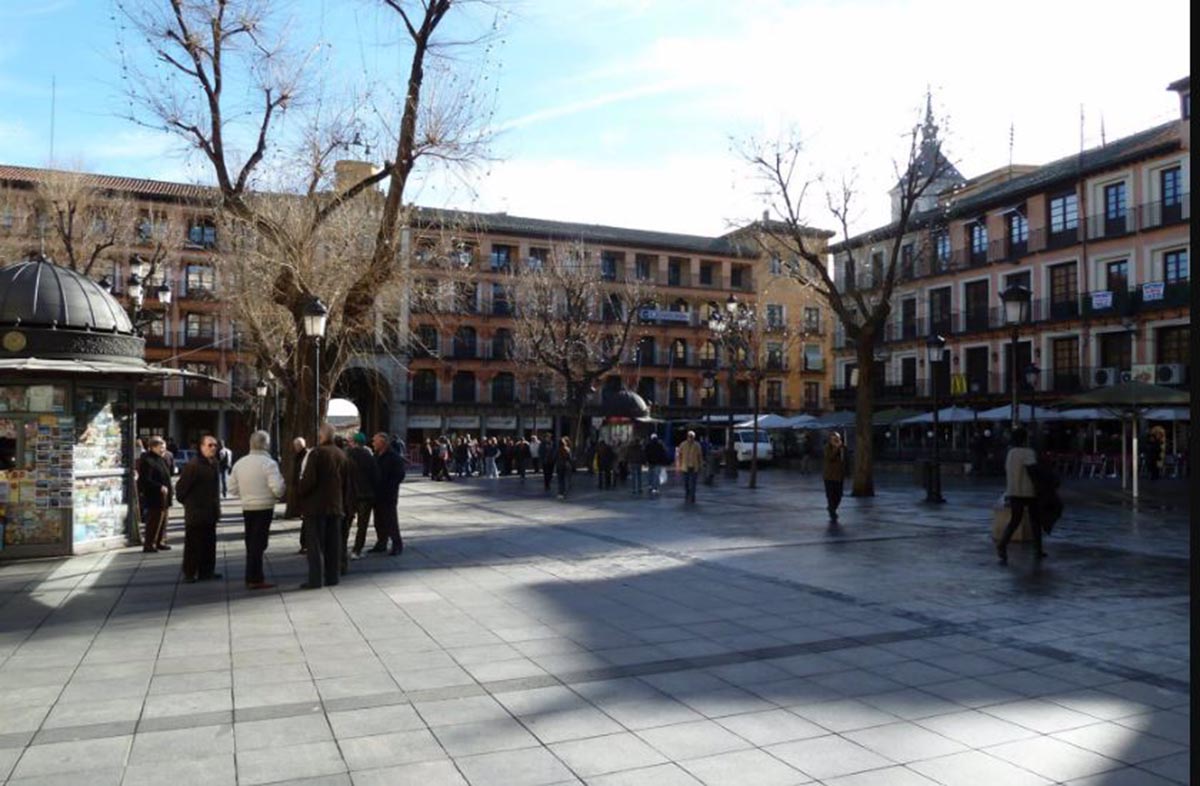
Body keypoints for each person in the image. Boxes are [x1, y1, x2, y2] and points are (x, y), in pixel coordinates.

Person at [227, 430, 285, 590]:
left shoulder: (240, 463)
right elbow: (278, 488)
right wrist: (277, 494)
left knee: (251, 542)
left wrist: (245, 494)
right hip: (265, 506)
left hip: (248, 506)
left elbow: (232, 488)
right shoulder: (269, 463)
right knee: (258, 544)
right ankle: (255, 577)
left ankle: (251, 575)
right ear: (266, 444)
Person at [296, 424, 350, 589]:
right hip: (335, 506)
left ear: (322, 436)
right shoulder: (342, 454)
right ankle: (332, 577)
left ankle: (316, 579)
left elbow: (309, 480)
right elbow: (347, 483)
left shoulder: (317, 453)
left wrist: (300, 491)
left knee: (315, 545)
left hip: (316, 506)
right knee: (333, 544)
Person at [175, 434, 222, 583]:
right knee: (193, 545)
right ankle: (190, 573)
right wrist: (191, 505)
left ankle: (207, 571)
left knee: (209, 544)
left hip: (210, 511)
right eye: (210, 445)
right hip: (196, 513)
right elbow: (181, 490)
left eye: (215, 445)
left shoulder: (214, 463)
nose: (213, 448)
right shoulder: (193, 465)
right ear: (201, 447)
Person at [997, 427, 1043, 565]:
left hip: (1013, 491)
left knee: (1015, 520)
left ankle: (1002, 544)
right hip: (1028, 491)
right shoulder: (1028, 452)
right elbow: (1033, 470)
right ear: (1025, 439)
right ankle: (1038, 548)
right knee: (1035, 520)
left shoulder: (1010, 453)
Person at [348, 433, 382, 558]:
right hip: (366, 495)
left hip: (350, 494)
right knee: (362, 525)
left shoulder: (347, 455)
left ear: (354, 442)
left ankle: (340, 548)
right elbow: (376, 476)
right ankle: (357, 550)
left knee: (346, 523)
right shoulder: (369, 457)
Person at [137, 436, 174, 552]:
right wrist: (159, 487)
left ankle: (160, 541)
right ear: (153, 447)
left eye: (164, 447)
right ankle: (149, 544)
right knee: (154, 520)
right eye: (160, 447)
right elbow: (145, 479)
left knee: (163, 520)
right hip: (154, 495)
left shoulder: (161, 458)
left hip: (164, 495)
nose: (163, 450)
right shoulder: (147, 460)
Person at [373, 432, 406, 555]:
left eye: (375, 441)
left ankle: (397, 544)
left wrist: (390, 486)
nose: (373, 443)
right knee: (379, 521)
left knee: (391, 520)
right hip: (377, 494)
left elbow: (400, 475)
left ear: (383, 443)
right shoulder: (376, 455)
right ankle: (381, 542)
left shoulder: (393, 456)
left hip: (388, 494)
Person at [823, 431, 847, 523]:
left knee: (839, 495)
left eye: (837, 438)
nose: (836, 440)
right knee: (830, 495)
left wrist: (847, 472)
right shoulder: (827, 448)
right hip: (829, 476)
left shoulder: (843, 448)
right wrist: (836, 448)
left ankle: (832, 508)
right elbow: (830, 458)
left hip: (839, 476)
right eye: (834, 439)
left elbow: (845, 460)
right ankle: (832, 511)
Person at [677, 431, 703, 504]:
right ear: (687, 437)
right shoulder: (683, 444)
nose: (690, 438)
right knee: (686, 483)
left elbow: (700, 456)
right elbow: (679, 454)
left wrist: (700, 465)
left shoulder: (697, 445)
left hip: (694, 467)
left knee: (693, 483)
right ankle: (687, 494)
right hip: (685, 466)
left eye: (692, 437)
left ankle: (692, 496)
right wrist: (679, 464)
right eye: (689, 436)